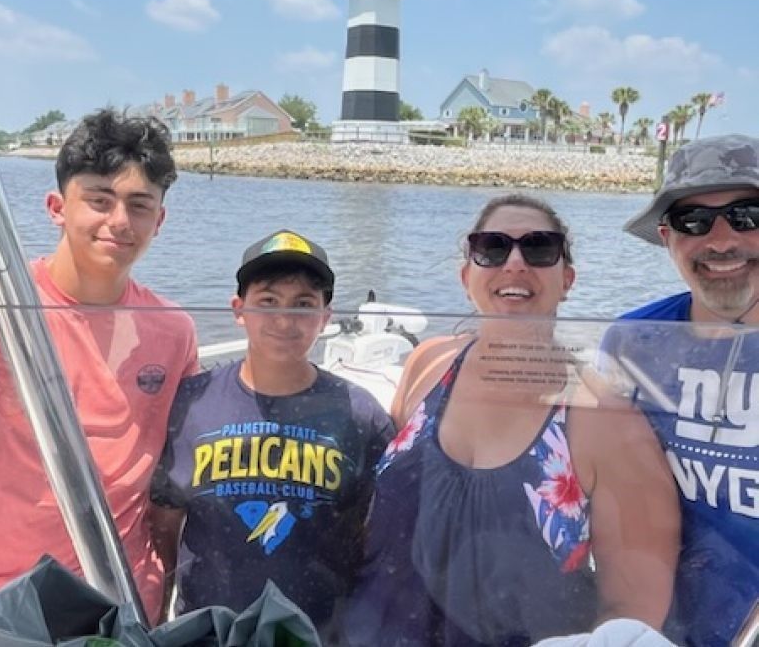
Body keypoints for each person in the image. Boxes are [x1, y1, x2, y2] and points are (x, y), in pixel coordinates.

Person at [345, 193, 679, 647]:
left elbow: (633, 613)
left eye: (539, 248)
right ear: (468, 276)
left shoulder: (605, 420)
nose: (515, 263)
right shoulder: (427, 365)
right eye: (492, 247)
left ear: (567, 279)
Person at [0, 109, 198, 620]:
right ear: (57, 207)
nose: (120, 222)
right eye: (100, 201)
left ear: (160, 220)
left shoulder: (175, 330)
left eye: (139, 205)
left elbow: (172, 479)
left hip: (119, 598)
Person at [150, 229, 394, 639]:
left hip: (315, 631)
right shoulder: (192, 402)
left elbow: (376, 535)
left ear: (326, 316)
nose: (284, 320)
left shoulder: (360, 414)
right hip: (209, 629)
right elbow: (164, 523)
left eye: (304, 305)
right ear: (238, 309)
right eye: (267, 302)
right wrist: (157, 617)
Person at [601, 134, 759, 647]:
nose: (720, 241)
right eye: (694, 221)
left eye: (747, 215)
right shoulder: (631, 342)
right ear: (667, 236)